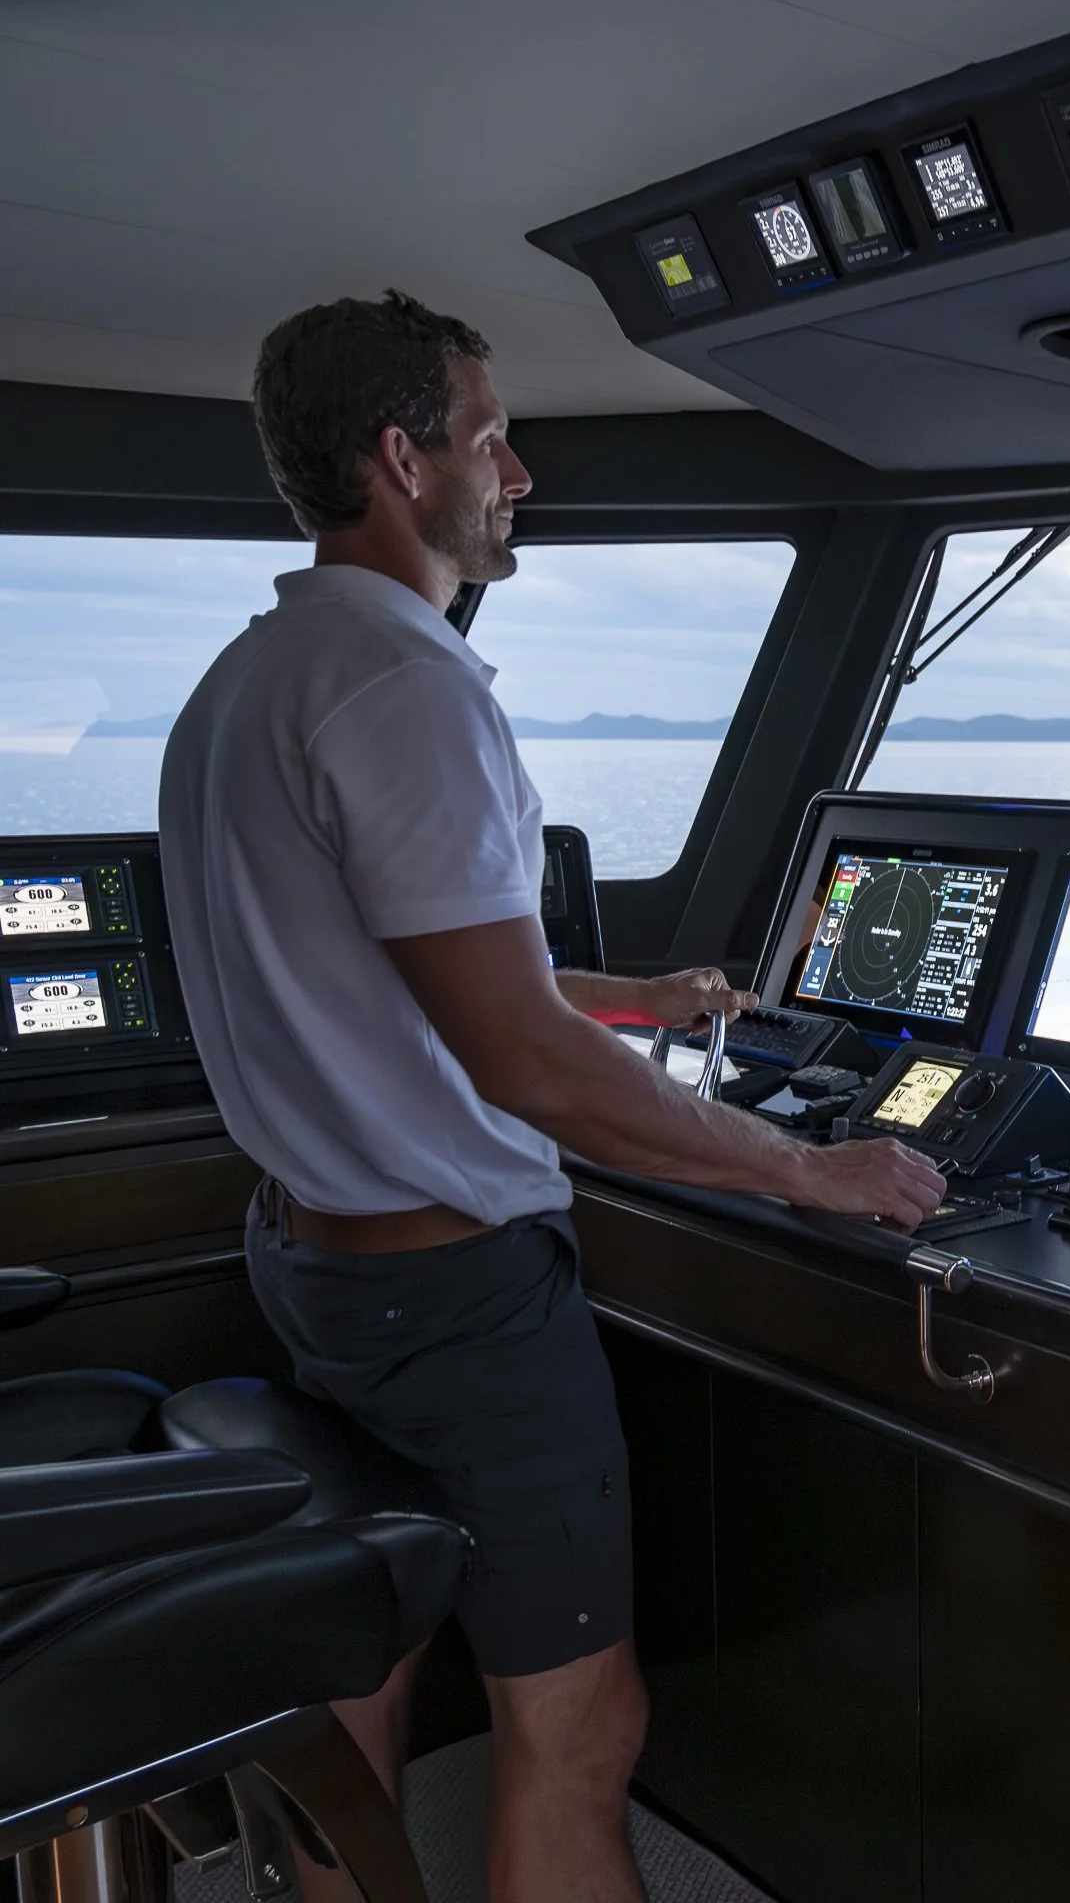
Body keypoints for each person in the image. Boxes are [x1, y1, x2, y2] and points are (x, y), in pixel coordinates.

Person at [157, 291, 944, 1903]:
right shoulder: (408, 691)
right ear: (402, 458)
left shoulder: (252, 680)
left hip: (319, 1263)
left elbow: (415, 975)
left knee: (363, 1675)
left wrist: (637, 1003)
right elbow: (514, 1059)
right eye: (494, 440)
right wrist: (809, 1172)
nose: (520, 477)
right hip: (457, 1298)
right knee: (582, 1731)